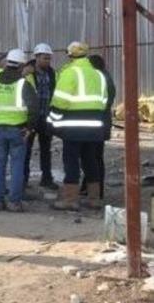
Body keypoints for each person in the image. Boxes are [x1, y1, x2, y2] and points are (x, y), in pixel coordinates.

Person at [48, 42, 109, 211]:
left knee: (71, 162)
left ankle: (70, 199)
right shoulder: (98, 74)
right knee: (91, 161)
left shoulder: (70, 72)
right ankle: (94, 199)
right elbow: (103, 102)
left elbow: (60, 101)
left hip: (73, 128)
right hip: (94, 127)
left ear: (69, 55)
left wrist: (51, 121)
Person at [0, 48, 38, 212]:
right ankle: (14, 202)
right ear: (21, 65)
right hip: (18, 131)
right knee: (17, 166)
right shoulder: (23, 84)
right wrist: (29, 128)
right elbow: (34, 107)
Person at [80, 54, 116, 200]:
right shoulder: (106, 77)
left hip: (95, 123)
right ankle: (90, 186)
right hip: (102, 123)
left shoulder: (98, 79)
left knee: (91, 157)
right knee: (95, 156)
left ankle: (94, 189)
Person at [24, 44, 59, 191]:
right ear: (36, 57)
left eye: (49, 58)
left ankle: (46, 178)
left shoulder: (52, 73)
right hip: (30, 118)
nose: (47, 61)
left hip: (46, 117)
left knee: (46, 150)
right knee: (26, 150)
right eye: (45, 58)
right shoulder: (26, 72)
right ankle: (23, 180)